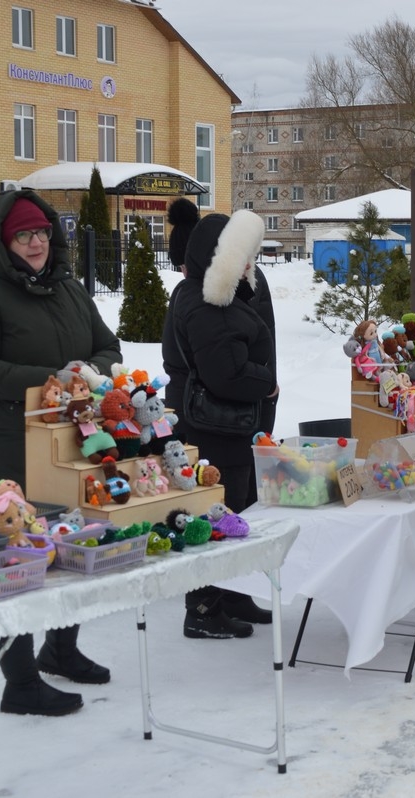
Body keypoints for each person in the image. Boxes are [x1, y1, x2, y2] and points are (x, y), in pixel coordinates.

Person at [0, 190, 121, 716]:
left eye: (42, 232)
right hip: (5, 448)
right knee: (12, 561)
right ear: (2, 243)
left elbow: (108, 347)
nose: (35, 243)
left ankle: (60, 650)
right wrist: (51, 380)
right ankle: (20, 682)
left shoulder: (70, 290)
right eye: (23, 235)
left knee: (69, 544)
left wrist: (89, 373)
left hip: (68, 442)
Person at [163, 206, 279, 639]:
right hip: (214, 426)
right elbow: (225, 373)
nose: (249, 264)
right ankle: (203, 608)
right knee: (216, 513)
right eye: (241, 255)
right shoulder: (207, 303)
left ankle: (232, 594)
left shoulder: (210, 294)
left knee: (236, 509)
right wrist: (266, 383)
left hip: (225, 426)